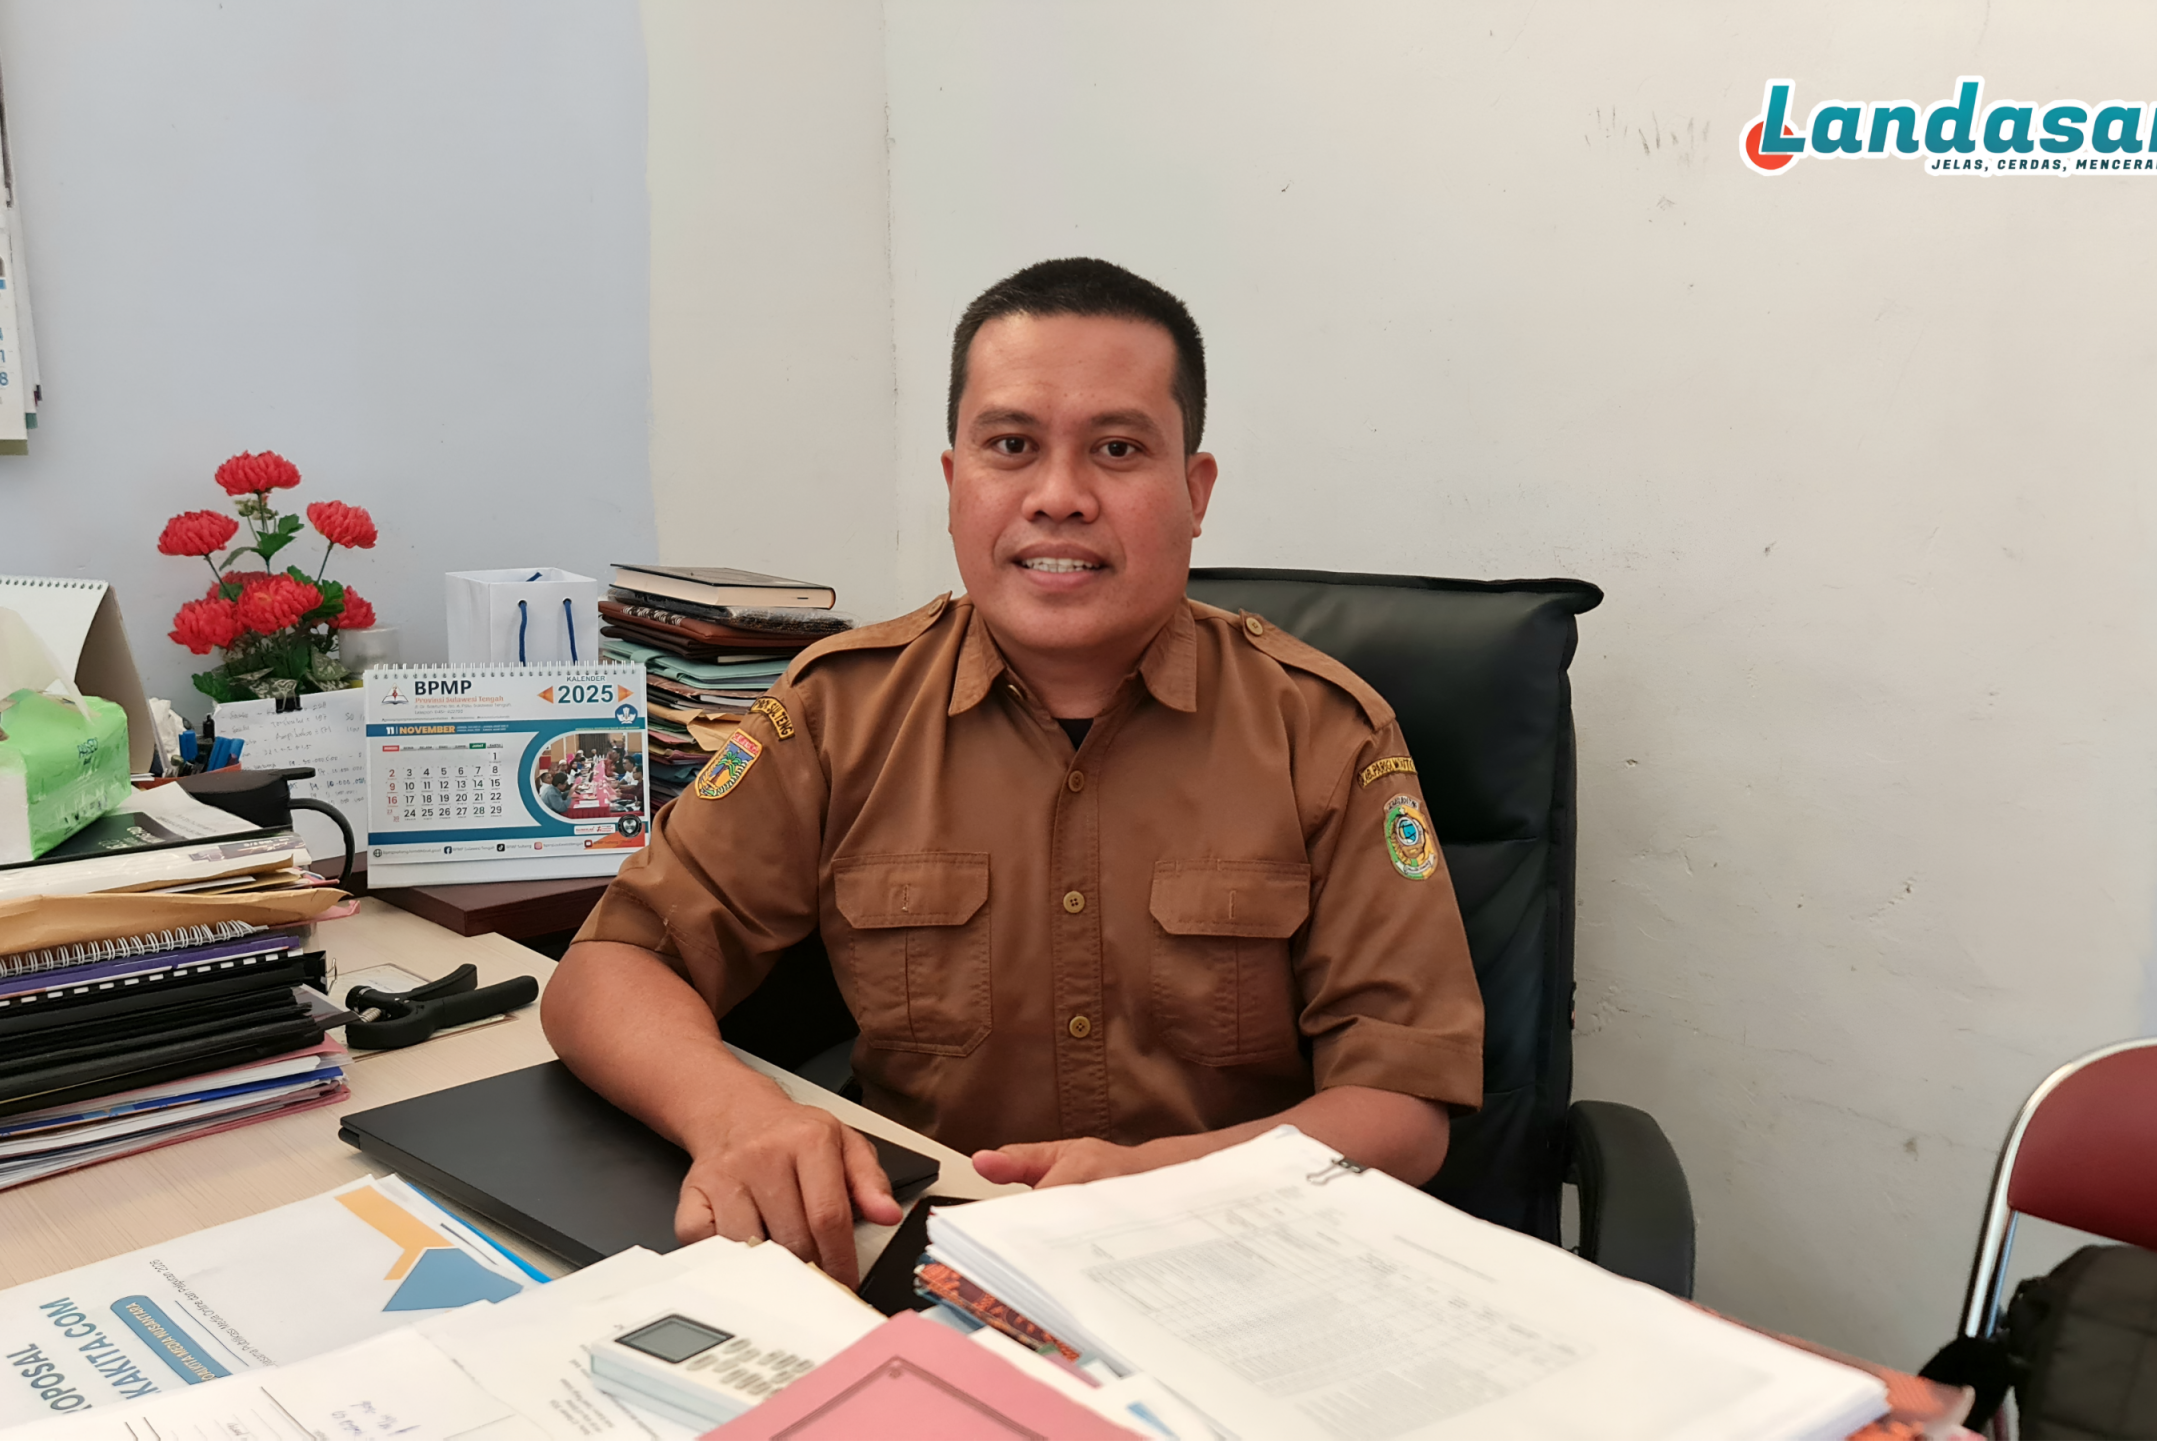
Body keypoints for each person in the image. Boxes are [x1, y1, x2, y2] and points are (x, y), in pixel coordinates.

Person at [541, 257, 1484, 1287]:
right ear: (956, 483)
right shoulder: (840, 712)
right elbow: (610, 967)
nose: (1059, 497)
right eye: (1011, 446)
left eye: (1117, 449)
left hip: (1234, 1262)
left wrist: (1163, 1182)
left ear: (1194, 490)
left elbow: (1403, 1105)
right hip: (920, 1265)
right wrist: (739, 1118)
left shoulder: (1326, 733)